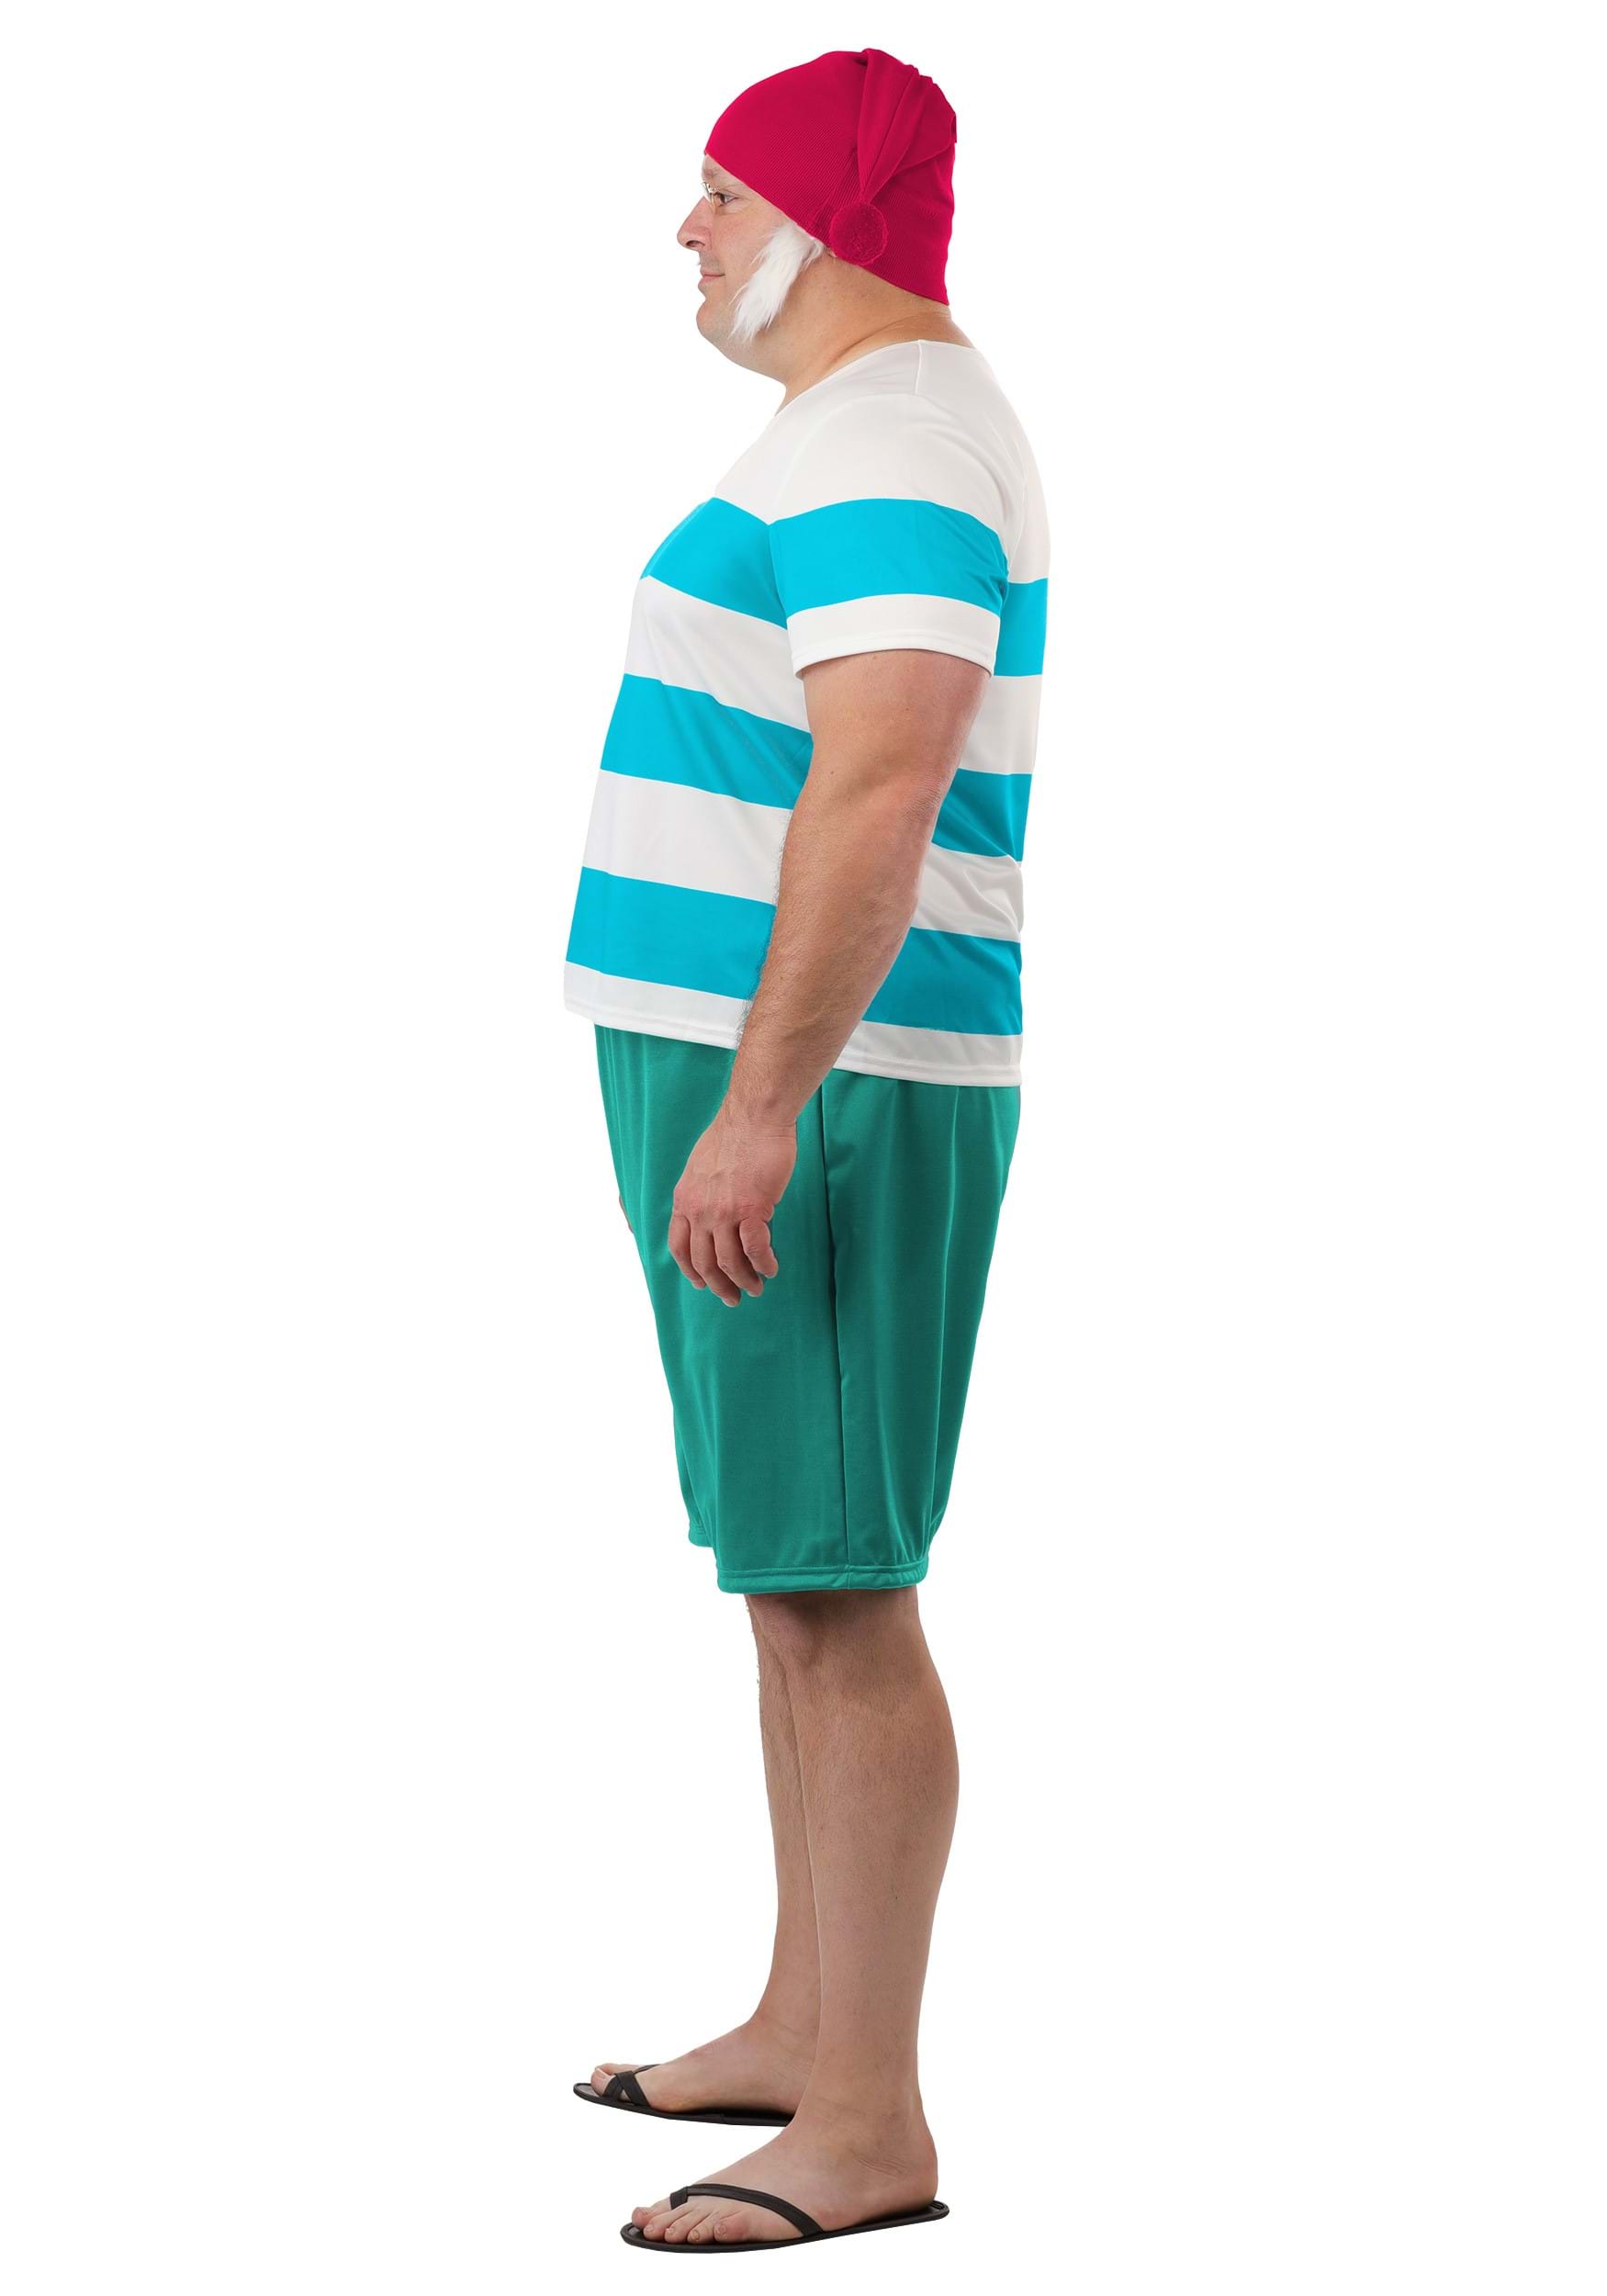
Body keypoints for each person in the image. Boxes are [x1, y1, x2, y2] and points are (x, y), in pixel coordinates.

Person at [562, 47, 1048, 2253]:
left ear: (820, 217)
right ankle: (798, 2020)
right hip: (755, 1066)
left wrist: (765, 1103)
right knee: (788, 1566)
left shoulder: (898, 436)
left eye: (719, 192)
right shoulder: (853, 428)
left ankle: (866, 2122)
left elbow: (881, 781)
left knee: (842, 1586)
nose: (685, 230)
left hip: (825, 1086)